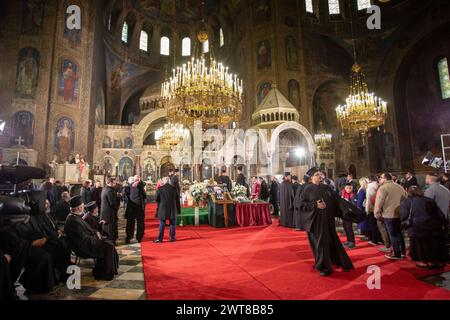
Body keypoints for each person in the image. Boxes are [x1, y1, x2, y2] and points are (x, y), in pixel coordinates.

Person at [299, 167, 354, 276]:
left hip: (328, 221)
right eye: (316, 174)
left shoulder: (326, 188)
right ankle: (323, 267)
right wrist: (315, 205)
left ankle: (336, 261)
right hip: (315, 222)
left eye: (320, 174)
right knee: (320, 244)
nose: (319, 176)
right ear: (311, 178)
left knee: (331, 241)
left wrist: (349, 209)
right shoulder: (306, 189)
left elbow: (337, 199)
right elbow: (300, 205)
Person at [17, 197, 70, 284]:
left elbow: (44, 229)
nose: (47, 205)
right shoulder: (27, 218)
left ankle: (60, 275)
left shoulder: (41, 215)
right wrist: (45, 239)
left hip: (43, 239)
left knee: (61, 245)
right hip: (33, 244)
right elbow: (31, 233)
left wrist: (50, 237)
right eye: (44, 203)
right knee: (54, 249)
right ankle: (53, 278)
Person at [64, 196, 118, 281]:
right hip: (84, 247)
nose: (83, 207)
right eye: (82, 206)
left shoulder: (75, 217)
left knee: (109, 243)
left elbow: (87, 230)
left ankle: (104, 270)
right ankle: (104, 273)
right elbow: (82, 239)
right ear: (79, 208)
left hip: (88, 242)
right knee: (108, 246)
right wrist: (96, 237)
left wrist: (96, 234)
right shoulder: (73, 220)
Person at [400, 186, 447, 269]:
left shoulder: (407, 202)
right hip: (434, 228)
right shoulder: (430, 200)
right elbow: (441, 215)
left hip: (417, 229)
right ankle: (435, 262)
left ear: (408, 192)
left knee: (421, 247)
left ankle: (424, 262)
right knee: (433, 245)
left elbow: (404, 216)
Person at [374, 172, 408, 260]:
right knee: (399, 233)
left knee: (392, 234)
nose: (379, 179)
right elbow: (406, 197)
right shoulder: (399, 186)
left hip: (389, 214)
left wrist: (376, 213)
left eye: (380, 178)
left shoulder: (383, 188)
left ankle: (396, 253)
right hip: (400, 213)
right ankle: (403, 252)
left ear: (385, 178)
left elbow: (379, 202)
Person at [154, 177, 181, 243]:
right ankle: (172, 238)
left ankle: (160, 239)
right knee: (172, 223)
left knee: (162, 223)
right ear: (169, 181)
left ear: (164, 181)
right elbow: (177, 200)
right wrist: (178, 210)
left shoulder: (160, 188)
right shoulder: (174, 189)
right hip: (172, 208)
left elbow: (157, 199)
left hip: (163, 208)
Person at [125, 175, 147, 244]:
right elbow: (144, 196)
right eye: (137, 180)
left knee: (136, 224)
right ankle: (132, 237)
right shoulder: (131, 187)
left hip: (136, 208)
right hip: (135, 208)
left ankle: (135, 237)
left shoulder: (134, 186)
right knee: (132, 224)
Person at [100, 176, 119, 244]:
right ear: (110, 182)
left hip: (105, 212)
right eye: (114, 183)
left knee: (107, 228)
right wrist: (117, 207)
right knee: (110, 229)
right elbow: (112, 203)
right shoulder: (110, 191)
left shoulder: (104, 188)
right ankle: (110, 243)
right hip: (109, 213)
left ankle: (108, 242)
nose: (115, 184)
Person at [366, 176, 382, 246]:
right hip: (377, 207)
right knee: (377, 224)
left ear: (369, 180)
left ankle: (374, 240)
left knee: (372, 225)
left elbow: (368, 200)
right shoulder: (377, 186)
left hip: (371, 208)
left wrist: (367, 210)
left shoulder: (370, 187)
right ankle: (379, 239)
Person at [341, 183, 357, 249]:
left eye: (350, 188)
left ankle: (352, 242)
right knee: (345, 227)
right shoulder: (343, 194)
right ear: (345, 188)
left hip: (350, 214)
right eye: (347, 188)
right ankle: (348, 240)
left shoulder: (353, 195)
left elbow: (354, 206)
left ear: (352, 188)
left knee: (349, 228)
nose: (348, 189)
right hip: (344, 213)